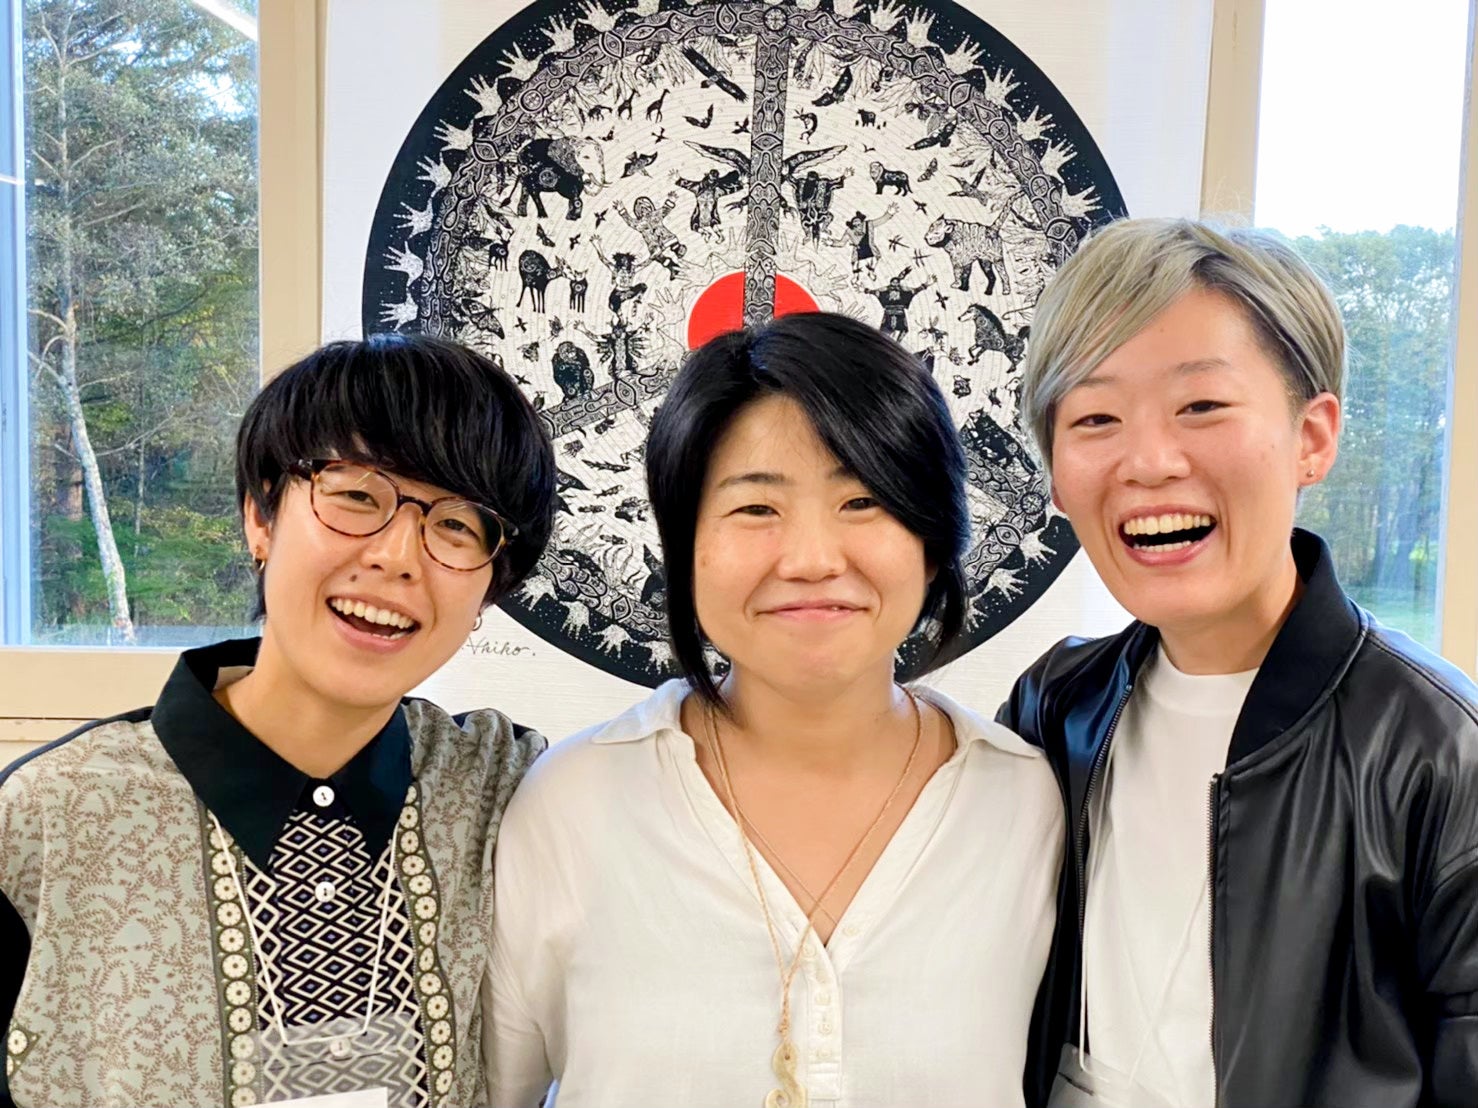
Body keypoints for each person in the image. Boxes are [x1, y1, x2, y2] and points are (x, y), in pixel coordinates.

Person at [488, 311, 1064, 1107]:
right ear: (684, 547)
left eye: (864, 501)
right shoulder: (571, 803)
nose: (813, 560)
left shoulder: (1024, 802)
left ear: (933, 541)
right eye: (757, 509)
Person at [0, 333, 557, 1108]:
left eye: (458, 526)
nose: (398, 556)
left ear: (488, 590)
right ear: (260, 518)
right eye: (356, 496)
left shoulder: (507, 794)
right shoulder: (45, 821)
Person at [999, 218, 1478, 1107]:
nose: (1149, 461)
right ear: (1057, 478)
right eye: (1096, 418)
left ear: (1313, 437)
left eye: (1202, 407)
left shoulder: (1442, 749)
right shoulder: (1054, 706)